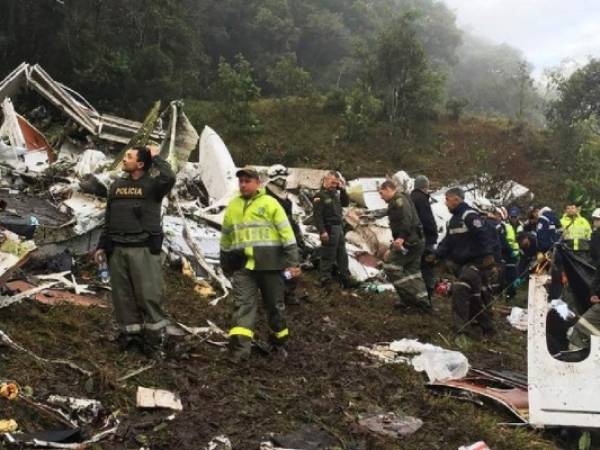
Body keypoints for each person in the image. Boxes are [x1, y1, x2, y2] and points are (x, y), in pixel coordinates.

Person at [95, 145, 175, 356]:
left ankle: (155, 341)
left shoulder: (153, 186)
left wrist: (156, 157)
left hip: (143, 249)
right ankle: (131, 339)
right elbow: (109, 218)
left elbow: (169, 178)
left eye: (129, 157)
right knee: (123, 298)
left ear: (140, 164)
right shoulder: (116, 186)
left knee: (149, 296)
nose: (124, 159)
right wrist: (102, 245)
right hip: (117, 249)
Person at [220, 166, 301, 363]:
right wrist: (225, 263)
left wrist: (293, 263)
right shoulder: (233, 206)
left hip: (270, 266)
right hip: (244, 266)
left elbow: (287, 235)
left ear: (258, 183)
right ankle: (239, 351)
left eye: (247, 181)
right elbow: (226, 237)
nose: (243, 185)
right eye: (241, 181)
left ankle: (279, 342)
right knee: (243, 307)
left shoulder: (271, 204)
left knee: (274, 307)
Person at [436, 188, 496, 336]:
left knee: (460, 288)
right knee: (474, 296)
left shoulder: (469, 216)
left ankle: (461, 330)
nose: (445, 203)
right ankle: (487, 327)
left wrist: (488, 255)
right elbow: (447, 243)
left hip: (476, 262)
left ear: (457, 199)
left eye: (447, 199)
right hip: (462, 264)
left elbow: (484, 235)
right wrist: (435, 255)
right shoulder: (453, 221)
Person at [379, 180, 430, 311]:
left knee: (390, 266)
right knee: (413, 272)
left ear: (389, 189)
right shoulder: (399, 199)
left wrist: (401, 238)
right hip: (416, 240)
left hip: (410, 242)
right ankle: (423, 303)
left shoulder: (399, 200)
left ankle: (411, 299)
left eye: (381, 192)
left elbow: (406, 220)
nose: (380, 196)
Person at [265, 164, 305, 305]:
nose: (284, 180)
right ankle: (274, 295)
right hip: (272, 237)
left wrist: (298, 236)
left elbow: (289, 217)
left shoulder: (284, 194)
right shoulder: (265, 195)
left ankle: (288, 292)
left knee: (293, 266)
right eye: (281, 178)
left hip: (288, 234)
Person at [313, 171, 356, 288]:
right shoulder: (320, 196)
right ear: (325, 181)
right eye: (332, 182)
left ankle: (345, 278)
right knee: (328, 254)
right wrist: (322, 231)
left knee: (342, 254)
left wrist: (342, 189)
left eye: (336, 183)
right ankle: (324, 278)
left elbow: (346, 203)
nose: (334, 185)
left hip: (339, 228)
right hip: (329, 228)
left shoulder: (335, 195)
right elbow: (317, 216)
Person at [410, 175, 438, 300]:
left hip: (413, 239)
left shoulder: (410, 198)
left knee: (415, 268)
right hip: (425, 239)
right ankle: (427, 296)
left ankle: (415, 295)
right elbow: (428, 220)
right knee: (427, 267)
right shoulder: (422, 199)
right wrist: (433, 235)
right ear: (425, 187)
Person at [504, 207, 522, 298]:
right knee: (509, 276)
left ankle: (514, 294)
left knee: (518, 275)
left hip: (519, 255)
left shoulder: (521, 226)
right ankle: (509, 295)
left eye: (515, 217)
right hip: (508, 255)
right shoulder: (506, 226)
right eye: (512, 216)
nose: (513, 218)